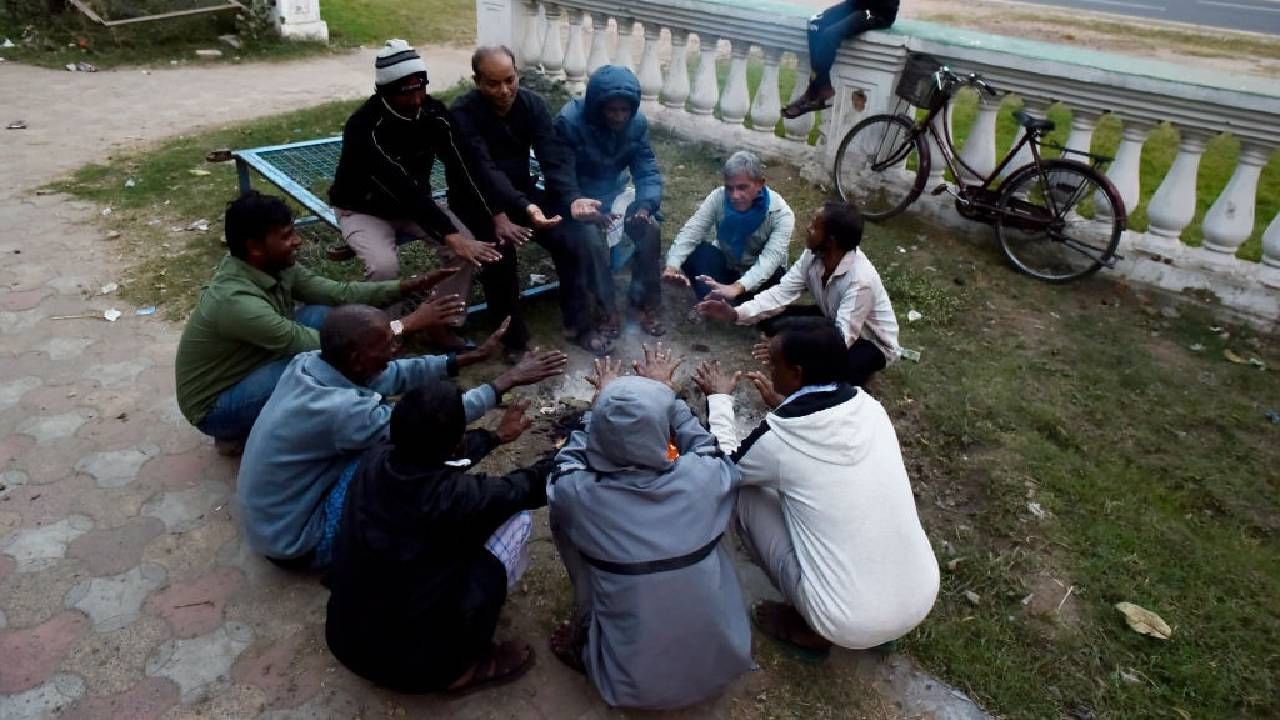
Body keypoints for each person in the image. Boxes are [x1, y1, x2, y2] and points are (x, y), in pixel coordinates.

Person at [236, 304, 567, 570]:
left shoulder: (311, 364)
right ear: (357, 357)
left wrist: (468, 358)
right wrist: (506, 381)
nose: (397, 348)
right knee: (405, 464)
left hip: (272, 524)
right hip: (298, 542)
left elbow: (393, 375)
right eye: (388, 344)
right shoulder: (346, 412)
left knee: (396, 451)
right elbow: (426, 428)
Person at [693, 318, 938, 656]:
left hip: (846, 620)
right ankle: (878, 624)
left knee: (743, 491)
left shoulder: (782, 436)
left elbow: (723, 468)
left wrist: (719, 400)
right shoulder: (869, 408)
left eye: (773, 363)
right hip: (919, 594)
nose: (768, 368)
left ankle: (809, 629)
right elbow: (822, 440)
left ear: (796, 373)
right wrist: (785, 402)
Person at [174, 191, 466, 454]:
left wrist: (407, 286)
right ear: (255, 247)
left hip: (252, 366)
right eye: (287, 236)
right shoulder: (237, 303)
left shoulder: (272, 266)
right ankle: (237, 428)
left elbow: (338, 293)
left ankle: (255, 424)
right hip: (216, 408)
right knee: (318, 366)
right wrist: (408, 324)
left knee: (327, 317)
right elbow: (327, 352)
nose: (297, 241)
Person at [547, 345, 752, 709]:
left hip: (627, 685)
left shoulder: (578, 498)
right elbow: (705, 444)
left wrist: (601, 408)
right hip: (724, 664)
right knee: (719, 517)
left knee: (563, 524)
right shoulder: (702, 479)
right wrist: (666, 397)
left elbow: (565, 462)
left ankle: (585, 633)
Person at [325, 381, 551, 695]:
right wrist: (588, 435)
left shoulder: (375, 460)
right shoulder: (459, 497)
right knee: (518, 521)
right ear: (457, 442)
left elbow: (433, 454)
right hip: (415, 666)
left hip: (345, 639)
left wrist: (495, 437)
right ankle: (458, 670)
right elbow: (529, 485)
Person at [328, 39, 503, 349]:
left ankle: (439, 324)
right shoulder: (364, 127)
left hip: (414, 207)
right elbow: (400, 185)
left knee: (464, 252)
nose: (416, 98)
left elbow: (462, 165)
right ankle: (385, 335)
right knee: (384, 267)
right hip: (362, 208)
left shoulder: (434, 114)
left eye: (420, 87)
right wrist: (450, 234)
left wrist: (494, 215)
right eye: (405, 91)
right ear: (385, 92)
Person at [450, 46, 608, 356]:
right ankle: (513, 340)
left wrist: (572, 198)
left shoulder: (531, 104)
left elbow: (553, 156)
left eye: (510, 80)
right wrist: (523, 208)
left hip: (522, 195)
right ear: (477, 81)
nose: (504, 91)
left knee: (572, 236)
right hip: (477, 200)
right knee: (500, 254)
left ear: (517, 74)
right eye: (493, 84)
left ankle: (579, 323)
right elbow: (483, 169)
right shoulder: (461, 114)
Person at [698, 201, 899, 388]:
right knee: (774, 323)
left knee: (825, 378)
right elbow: (781, 293)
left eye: (814, 226)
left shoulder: (860, 281)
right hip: (832, 318)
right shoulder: (812, 255)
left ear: (831, 241)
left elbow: (841, 341)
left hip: (868, 343)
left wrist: (788, 348)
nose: (807, 228)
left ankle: (862, 375)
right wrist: (734, 314)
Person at [553, 65, 666, 338]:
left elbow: (647, 169)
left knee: (649, 229)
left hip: (613, 196)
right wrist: (579, 202)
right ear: (597, 107)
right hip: (573, 200)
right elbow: (559, 173)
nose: (619, 117)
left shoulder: (636, 125)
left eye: (624, 110)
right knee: (590, 239)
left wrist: (645, 205)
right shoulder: (569, 122)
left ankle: (642, 303)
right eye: (612, 110)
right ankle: (607, 309)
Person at [662, 150, 795, 304]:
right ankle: (721, 301)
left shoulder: (781, 214)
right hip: (728, 263)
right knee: (695, 253)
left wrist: (738, 287)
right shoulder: (718, 197)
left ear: (760, 184)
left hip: (759, 274)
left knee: (776, 277)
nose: (734, 195)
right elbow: (693, 231)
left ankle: (729, 302)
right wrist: (672, 266)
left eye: (742, 188)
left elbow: (770, 260)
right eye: (729, 188)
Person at [781, 0, 899, 119]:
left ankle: (815, 91)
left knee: (830, 35)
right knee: (815, 23)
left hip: (877, 13)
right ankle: (820, 87)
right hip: (855, 5)